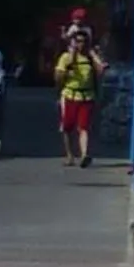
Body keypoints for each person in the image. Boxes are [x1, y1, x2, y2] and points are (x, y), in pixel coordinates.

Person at [54, 23, 108, 169]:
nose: (80, 45)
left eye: (83, 42)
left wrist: (96, 58)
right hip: (70, 95)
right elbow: (58, 77)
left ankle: (84, 155)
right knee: (67, 127)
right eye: (77, 41)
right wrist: (67, 68)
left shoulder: (90, 58)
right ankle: (69, 155)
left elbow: (100, 71)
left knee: (83, 127)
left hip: (87, 96)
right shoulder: (65, 57)